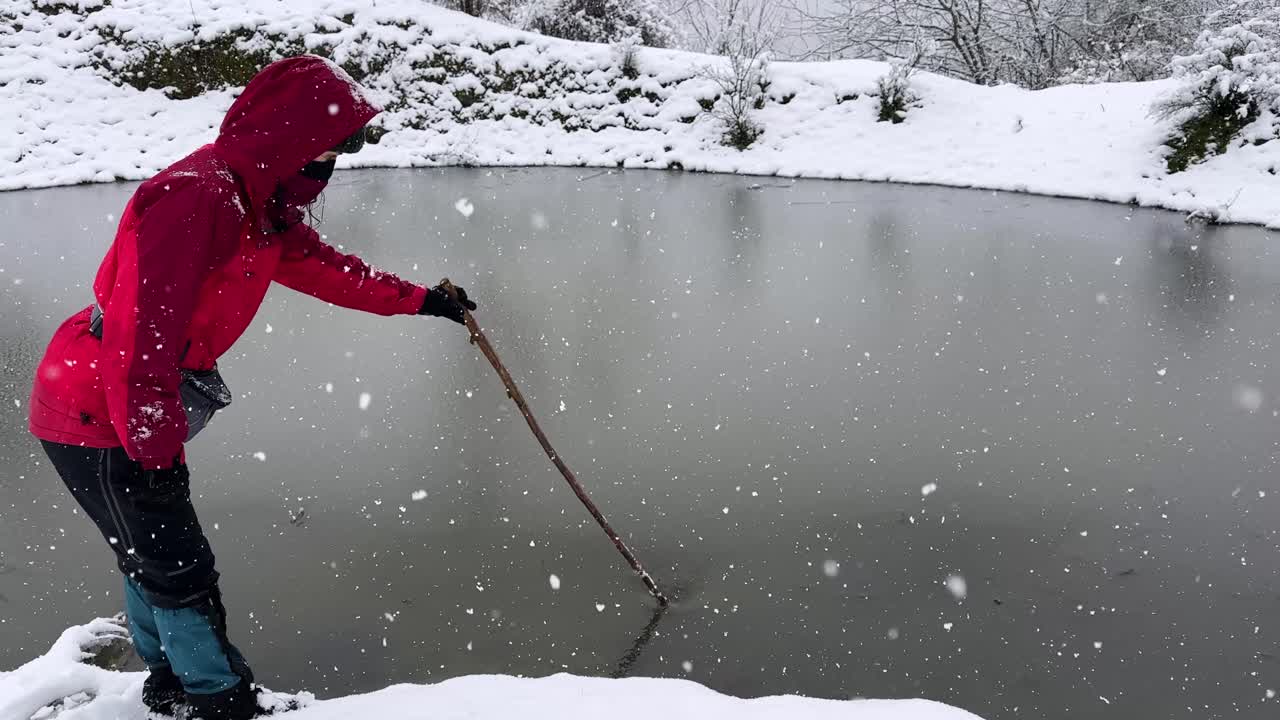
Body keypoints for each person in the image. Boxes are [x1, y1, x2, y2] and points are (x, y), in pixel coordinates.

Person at [27, 56, 475, 719]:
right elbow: (142, 333)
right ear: (286, 140)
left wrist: (422, 301)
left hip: (123, 404)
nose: (324, 173)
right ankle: (220, 701)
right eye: (321, 156)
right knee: (179, 567)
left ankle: (172, 687)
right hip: (97, 408)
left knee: (152, 554)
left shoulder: (258, 205)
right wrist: (152, 449)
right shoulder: (197, 198)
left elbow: (325, 268)